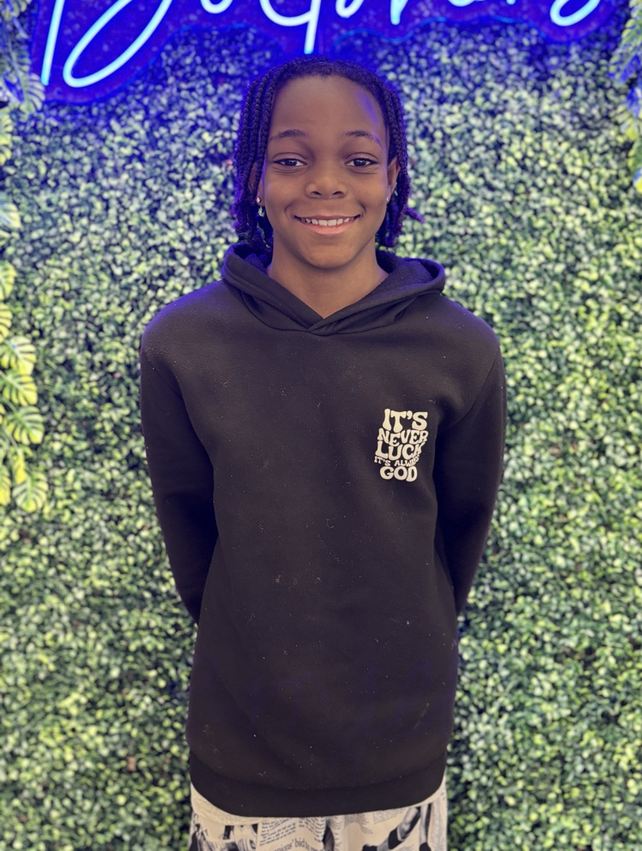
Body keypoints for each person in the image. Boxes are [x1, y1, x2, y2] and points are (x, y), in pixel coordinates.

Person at [139, 56, 506, 851]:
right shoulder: (183, 346)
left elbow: (456, 541)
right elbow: (193, 543)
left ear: (393, 176)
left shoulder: (459, 351)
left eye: (360, 160)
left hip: (399, 754)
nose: (327, 183)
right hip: (243, 755)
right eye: (292, 158)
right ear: (253, 178)